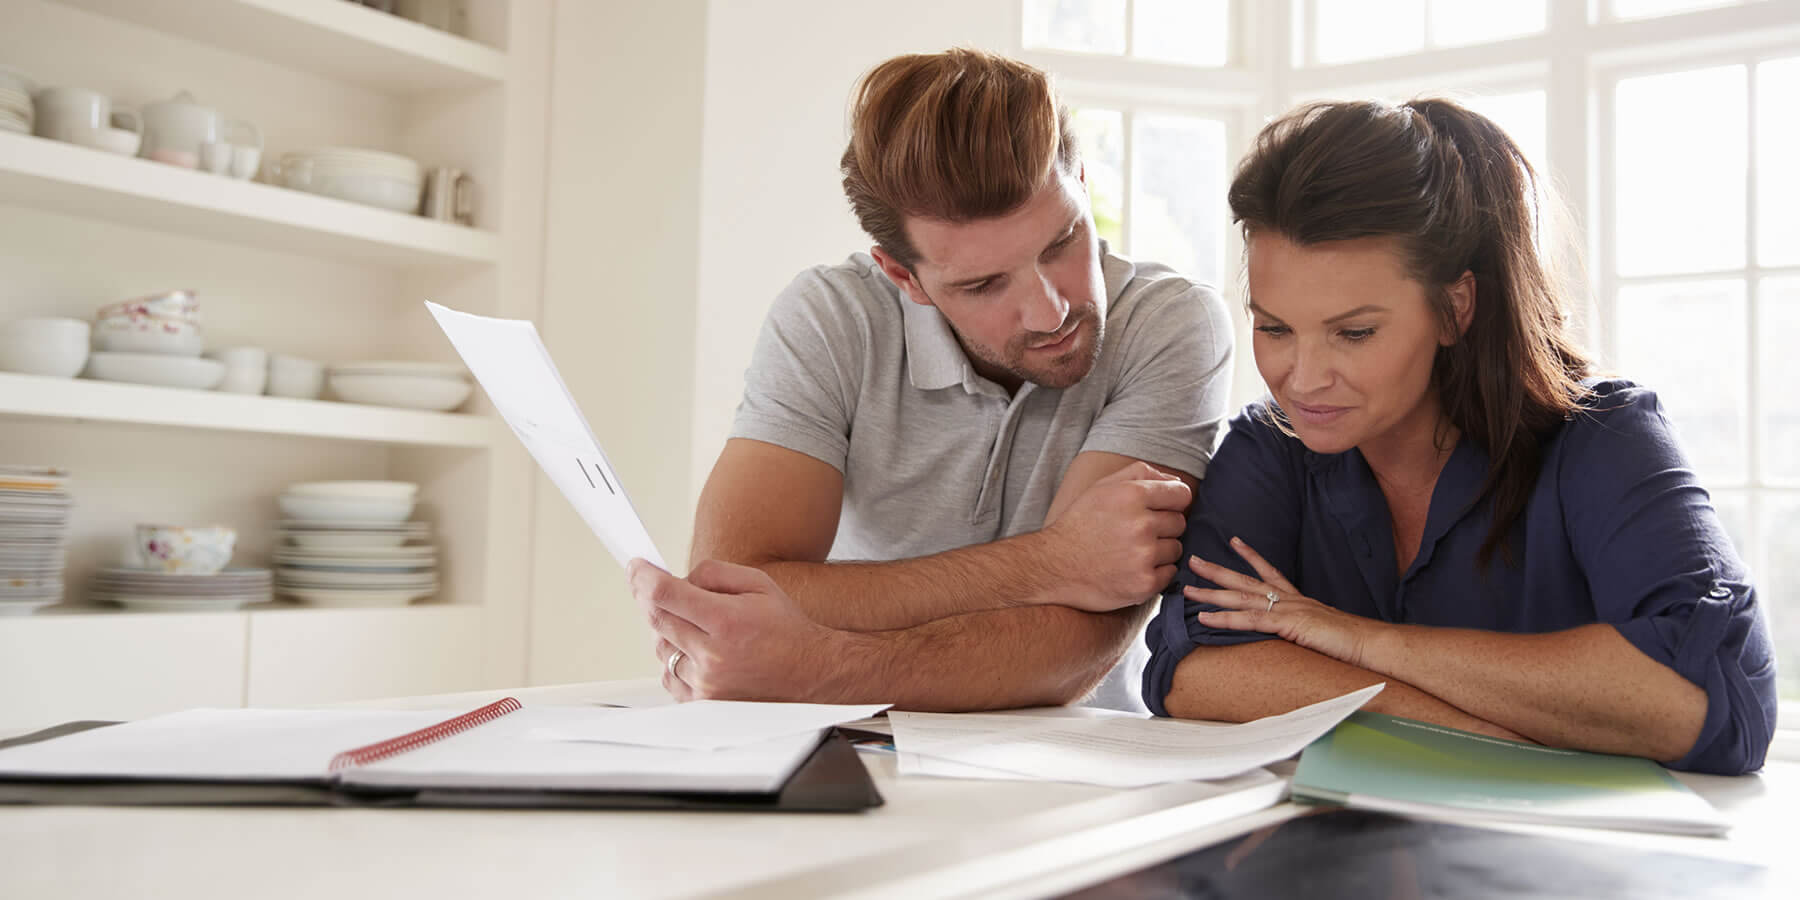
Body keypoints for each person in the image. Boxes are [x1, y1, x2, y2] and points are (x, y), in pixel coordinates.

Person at [1143, 97, 1776, 775]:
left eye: (1353, 333)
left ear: (1455, 307)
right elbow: (1193, 671)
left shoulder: (1605, 437)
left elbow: (1714, 700)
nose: (1300, 379)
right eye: (1273, 328)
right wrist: (1495, 731)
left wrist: (1356, 640)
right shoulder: (1271, 450)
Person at [627, 48, 1234, 711]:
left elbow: (1071, 649)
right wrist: (1050, 562)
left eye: (1060, 243)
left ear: (1084, 183)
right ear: (903, 277)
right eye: (984, 284)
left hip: (1073, 764)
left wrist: (820, 668)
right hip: (837, 750)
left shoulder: (1172, 325)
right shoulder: (833, 319)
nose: (1050, 310)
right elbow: (729, 597)